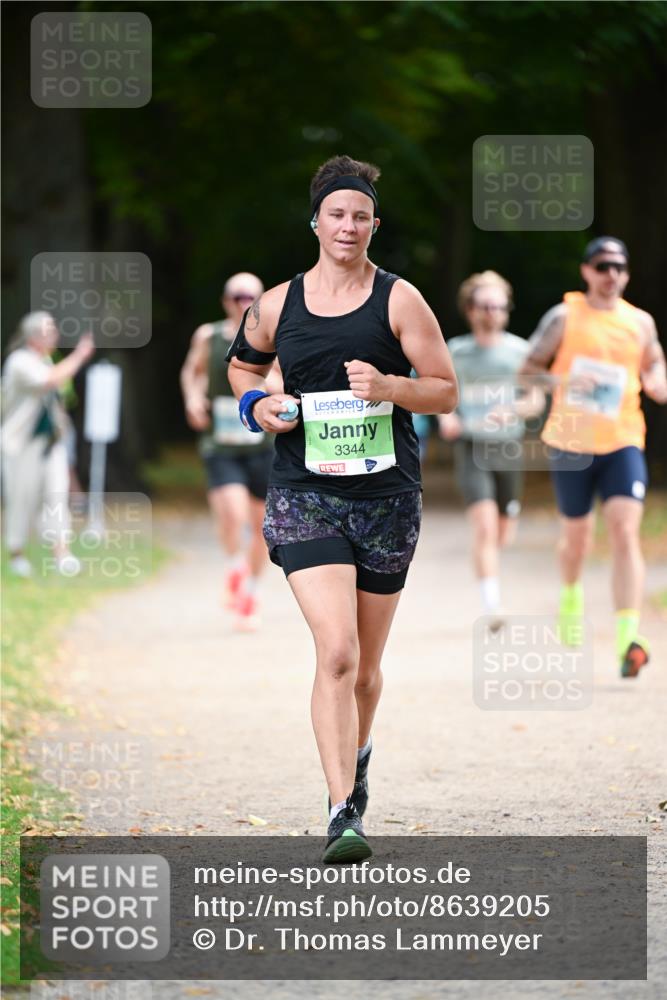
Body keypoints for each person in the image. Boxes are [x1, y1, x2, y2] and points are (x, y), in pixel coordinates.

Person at [227, 155, 457, 862]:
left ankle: (356, 755)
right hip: (303, 494)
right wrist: (258, 404)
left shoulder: (399, 300)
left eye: (360, 215)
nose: (348, 225)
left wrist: (390, 387)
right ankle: (340, 811)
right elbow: (242, 366)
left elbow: (444, 390)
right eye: (336, 213)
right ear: (316, 222)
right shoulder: (276, 303)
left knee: (364, 670)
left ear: (373, 225)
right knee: (336, 652)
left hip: (386, 500)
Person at [520, 236, 667, 677]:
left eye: (619, 267)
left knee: (624, 531)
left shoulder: (639, 322)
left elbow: (654, 360)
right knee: (578, 537)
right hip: (571, 441)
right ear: (586, 271)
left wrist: (657, 379)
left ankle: (628, 639)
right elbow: (527, 369)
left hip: (623, 438)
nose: (611, 275)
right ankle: (571, 595)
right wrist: (565, 384)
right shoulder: (564, 316)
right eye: (602, 266)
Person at [438, 271, 543, 628]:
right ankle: (492, 604)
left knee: (502, 533)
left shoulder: (520, 351)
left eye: (499, 305)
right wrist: (447, 417)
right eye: (485, 305)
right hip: (471, 448)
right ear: (470, 309)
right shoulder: (457, 351)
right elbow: (442, 394)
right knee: (483, 528)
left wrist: (512, 409)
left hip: (508, 449)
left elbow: (535, 400)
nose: (492, 312)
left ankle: (490, 574)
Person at [180, 272, 280, 629]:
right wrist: (193, 398)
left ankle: (249, 592)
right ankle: (234, 566)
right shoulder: (208, 336)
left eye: (251, 296)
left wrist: (263, 388)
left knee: (261, 525)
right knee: (233, 515)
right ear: (226, 301)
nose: (244, 303)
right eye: (237, 296)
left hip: (260, 444)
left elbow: (282, 380)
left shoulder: (271, 337)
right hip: (220, 443)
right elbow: (192, 372)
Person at [1, 312, 95, 577]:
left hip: (50, 442)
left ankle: (61, 553)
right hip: (21, 444)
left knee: (57, 494)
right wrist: (79, 355)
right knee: (21, 498)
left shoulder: (44, 360)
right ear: (33, 335)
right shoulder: (19, 361)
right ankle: (16, 554)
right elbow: (50, 380)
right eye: (49, 330)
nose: (54, 335)